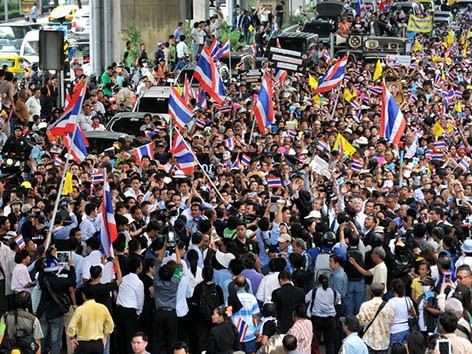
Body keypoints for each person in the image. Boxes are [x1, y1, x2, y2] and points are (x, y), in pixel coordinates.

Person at [66, 284, 114, 354]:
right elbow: (110, 324)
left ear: (83, 295)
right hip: (98, 343)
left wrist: (72, 338)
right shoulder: (103, 308)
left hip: (83, 344)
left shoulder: (80, 309)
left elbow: (71, 326)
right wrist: (105, 336)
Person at [153, 241, 183, 354]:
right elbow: (180, 266)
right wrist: (176, 249)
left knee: (158, 340)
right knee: (172, 340)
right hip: (171, 314)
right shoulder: (174, 282)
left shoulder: (156, 281)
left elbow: (157, 263)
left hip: (159, 313)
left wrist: (164, 246)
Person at [115, 257, 144, 354]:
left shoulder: (123, 278)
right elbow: (140, 299)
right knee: (130, 337)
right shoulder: (138, 282)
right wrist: (139, 312)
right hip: (130, 312)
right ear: (138, 269)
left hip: (119, 310)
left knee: (120, 335)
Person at [357, 282, 395, 354]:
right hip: (383, 341)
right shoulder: (388, 306)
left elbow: (360, 322)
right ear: (382, 292)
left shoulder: (365, 305)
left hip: (368, 340)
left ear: (371, 292)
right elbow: (392, 322)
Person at [307, 274, 338, 354]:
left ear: (318, 282)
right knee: (329, 343)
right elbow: (338, 301)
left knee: (315, 343)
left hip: (316, 318)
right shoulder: (333, 292)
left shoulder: (314, 291)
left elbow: (306, 299)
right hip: (330, 319)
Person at [388, 278, 416, 344]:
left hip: (395, 330)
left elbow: (389, 317)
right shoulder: (407, 299)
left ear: (392, 289)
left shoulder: (390, 302)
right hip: (407, 329)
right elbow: (414, 314)